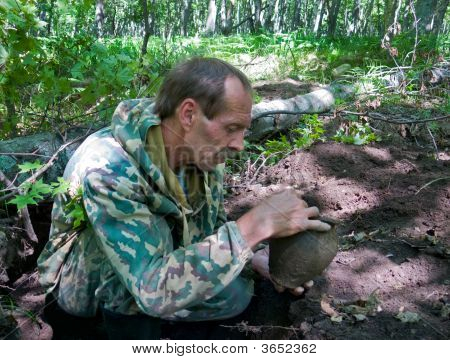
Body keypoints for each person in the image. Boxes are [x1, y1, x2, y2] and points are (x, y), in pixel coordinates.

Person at [37, 57, 331, 339]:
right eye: (231, 128)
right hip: (85, 294)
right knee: (132, 283)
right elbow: (149, 287)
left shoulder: (204, 154)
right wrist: (253, 227)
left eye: (244, 130)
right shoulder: (108, 168)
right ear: (188, 114)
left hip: (157, 271)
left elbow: (210, 230)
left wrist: (252, 257)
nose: (240, 145)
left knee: (236, 293)